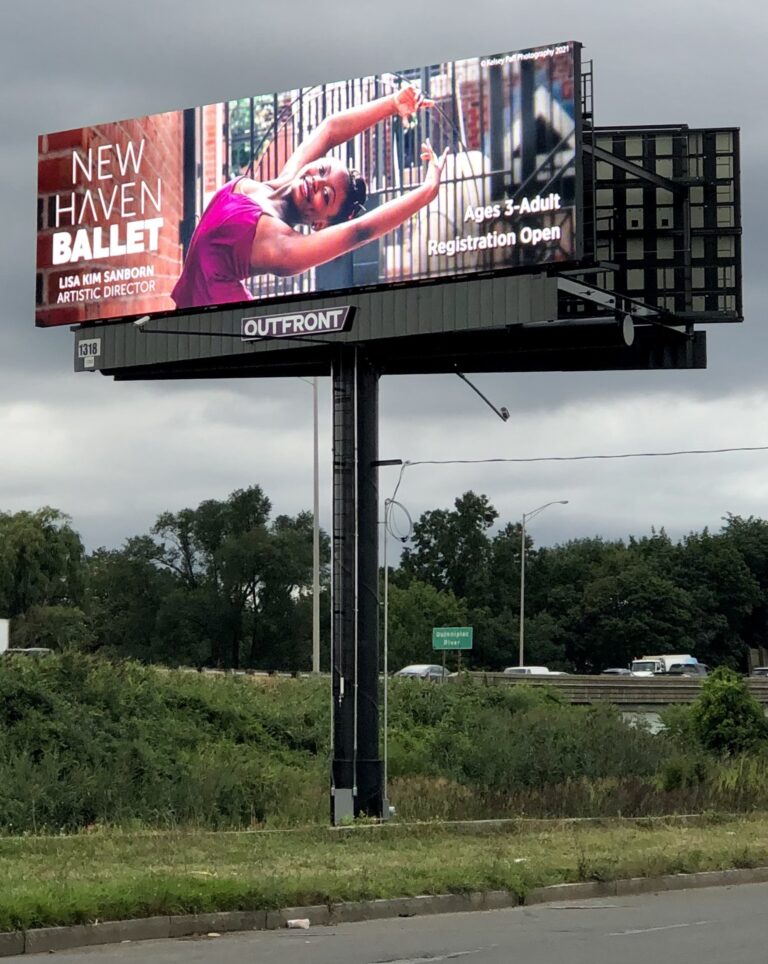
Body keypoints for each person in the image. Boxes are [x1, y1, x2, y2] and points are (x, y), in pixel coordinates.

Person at [171, 84, 448, 309]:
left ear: (320, 224)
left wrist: (426, 192)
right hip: (191, 328)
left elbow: (361, 231)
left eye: (326, 196)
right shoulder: (276, 184)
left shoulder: (282, 246)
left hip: (225, 341)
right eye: (323, 169)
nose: (316, 182)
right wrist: (391, 104)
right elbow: (329, 130)